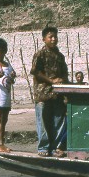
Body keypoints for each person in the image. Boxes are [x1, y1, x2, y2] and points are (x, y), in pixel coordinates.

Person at [30, 26, 69, 157]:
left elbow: (65, 74)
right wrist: (51, 81)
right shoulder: (40, 54)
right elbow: (36, 73)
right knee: (43, 122)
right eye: (50, 37)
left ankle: (55, 147)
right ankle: (43, 147)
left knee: (58, 121)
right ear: (44, 39)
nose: (53, 39)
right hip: (43, 94)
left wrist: (64, 86)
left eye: (55, 37)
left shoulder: (60, 56)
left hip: (58, 94)